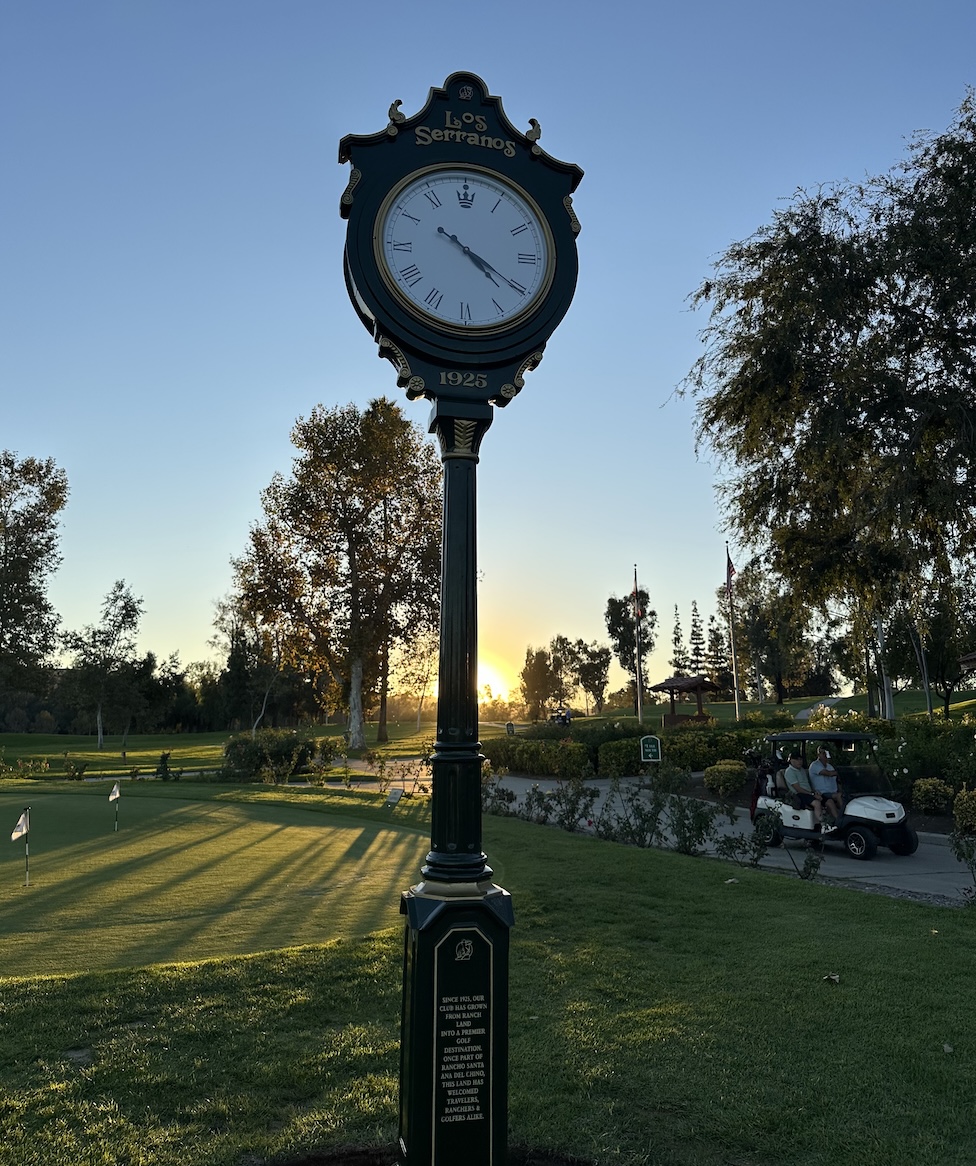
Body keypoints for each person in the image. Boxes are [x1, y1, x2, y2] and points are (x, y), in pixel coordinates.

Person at [809, 746, 844, 828]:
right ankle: (841, 820)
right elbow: (829, 773)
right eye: (823, 753)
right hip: (822, 793)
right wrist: (842, 772)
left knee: (844, 795)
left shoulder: (829, 766)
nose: (825, 755)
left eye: (826, 753)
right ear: (819, 754)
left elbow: (835, 778)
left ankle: (845, 818)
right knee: (837, 797)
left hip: (832, 792)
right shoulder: (815, 765)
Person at [784, 752, 822, 826]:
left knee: (828, 800)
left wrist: (815, 792)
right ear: (791, 760)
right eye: (797, 760)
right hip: (799, 794)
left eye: (801, 760)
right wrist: (812, 794)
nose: (800, 762)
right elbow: (798, 788)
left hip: (808, 793)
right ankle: (823, 825)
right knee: (817, 803)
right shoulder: (789, 772)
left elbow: (808, 783)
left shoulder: (802, 770)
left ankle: (834, 823)